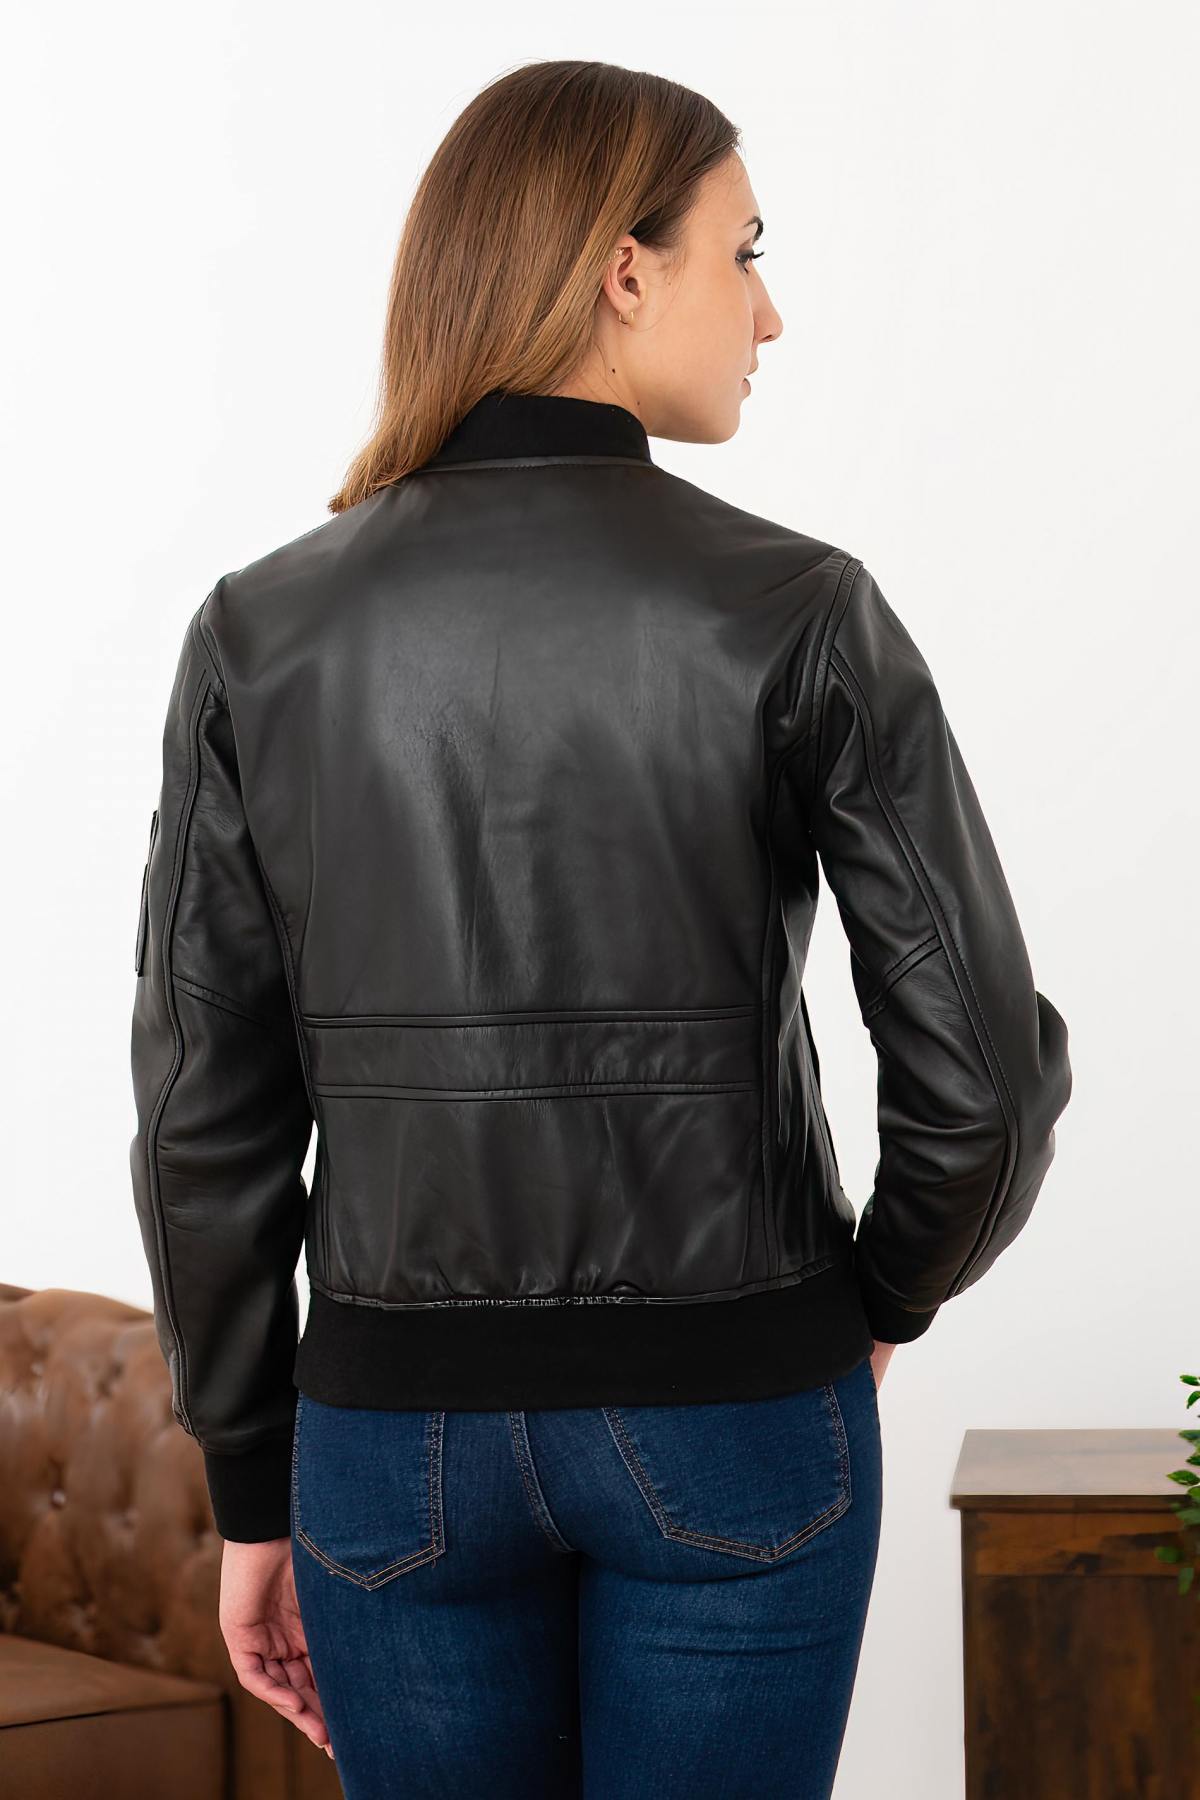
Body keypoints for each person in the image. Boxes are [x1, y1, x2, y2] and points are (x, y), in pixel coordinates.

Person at [128, 58, 1072, 1799]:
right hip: (736, 1405)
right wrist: (878, 1297)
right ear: (623, 270)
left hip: (389, 1443)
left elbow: (204, 1111)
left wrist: (253, 1483)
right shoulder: (795, 608)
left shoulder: (261, 632)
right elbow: (986, 1078)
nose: (770, 313)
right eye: (746, 252)